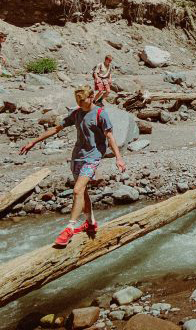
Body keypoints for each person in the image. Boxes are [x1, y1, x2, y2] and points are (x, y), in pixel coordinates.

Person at [19, 86, 126, 247]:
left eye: (82, 101)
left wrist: (118, 158)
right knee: (82, 191)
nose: (80, 104)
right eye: (78, 101)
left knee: (77, 190)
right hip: (77, 157)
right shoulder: (76, 113)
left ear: (91, 97)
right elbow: (56, 128)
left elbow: (109, 136)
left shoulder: (100, 114)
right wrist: (33, 141)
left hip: (93, 157)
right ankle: (90, 222)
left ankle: (70, 227)